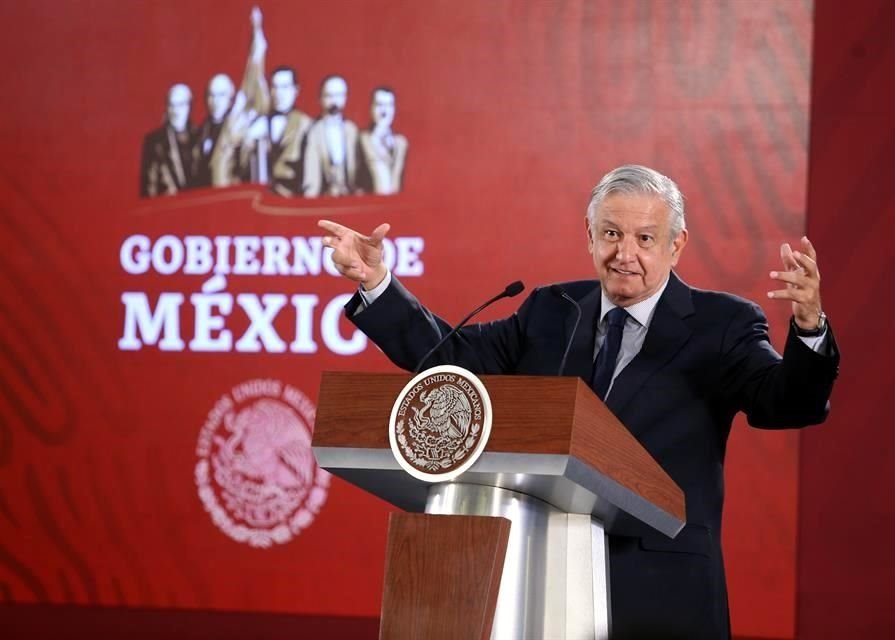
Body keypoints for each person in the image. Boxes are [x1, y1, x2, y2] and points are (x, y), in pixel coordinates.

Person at [318, 165, 839, 639]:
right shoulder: (551, 309)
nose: (624, 254)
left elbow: (785, 402)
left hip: (661, 591)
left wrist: (809, 328)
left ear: (676, 246)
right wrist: (378, 285)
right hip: (541, 582)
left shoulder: (721, 323)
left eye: (645, 238)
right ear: (589, 235)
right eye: (611, 234)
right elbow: (451, 362)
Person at [212, 7, 311, 196]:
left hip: (292, 207)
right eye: (275, 87)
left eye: (285, 88)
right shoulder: (257, 122)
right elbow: (229, 162)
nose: (279, 93)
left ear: (296, 91)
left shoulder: (306, 125)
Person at [303, 75, 359, 197]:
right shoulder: (313, 132)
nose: (334, 101)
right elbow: (311, 175)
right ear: (320, 98)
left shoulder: (352, 130)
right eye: (329, 96)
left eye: (339, 95)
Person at [140, 83, 193, 197]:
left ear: (189, 106)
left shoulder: (199, 135)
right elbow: (149, 186)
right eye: (171, 105)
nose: (175, 111)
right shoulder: (154, 141)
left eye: (180, 105)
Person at [356, 86, 408, 195]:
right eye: (379, 105)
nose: (384, 111)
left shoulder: (401, 143)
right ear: (371, 108)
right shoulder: (362, 139)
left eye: (389, 105)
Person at [190, 73, 235, 189]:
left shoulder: (238, 130)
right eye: (211, 95)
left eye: (221, 95)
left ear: (230, 98)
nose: (216, 101)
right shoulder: (199, 132)